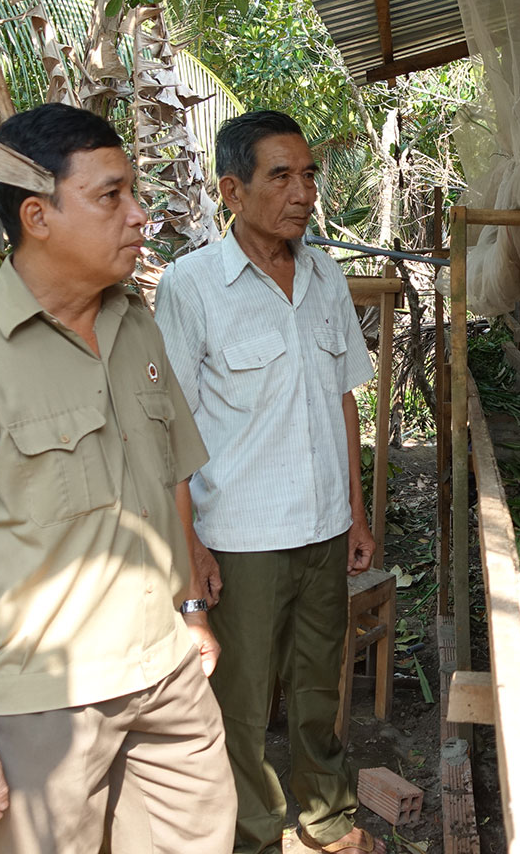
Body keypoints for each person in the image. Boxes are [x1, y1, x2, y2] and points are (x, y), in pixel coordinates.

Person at [0, 102, 235, 853]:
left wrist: (192, 607)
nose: (139, 215)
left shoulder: (133, 322)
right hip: (42, 708)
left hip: (167, 676)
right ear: (37, 217)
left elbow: (167, 470)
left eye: (132, 193)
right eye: (111, 197)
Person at [154, 110, 384, 854]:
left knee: (320, 691)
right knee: (243, 708)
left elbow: (345, 399)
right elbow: (172, 428)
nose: (304, 193)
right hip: (240, 539)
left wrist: (355, 514)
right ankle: (252, 836)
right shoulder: (192, 288)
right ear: (232, 189)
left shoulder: (324, 275)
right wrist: (187, 542)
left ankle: (326, 822)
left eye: (309, 174)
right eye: (280, 176)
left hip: (322, 530)